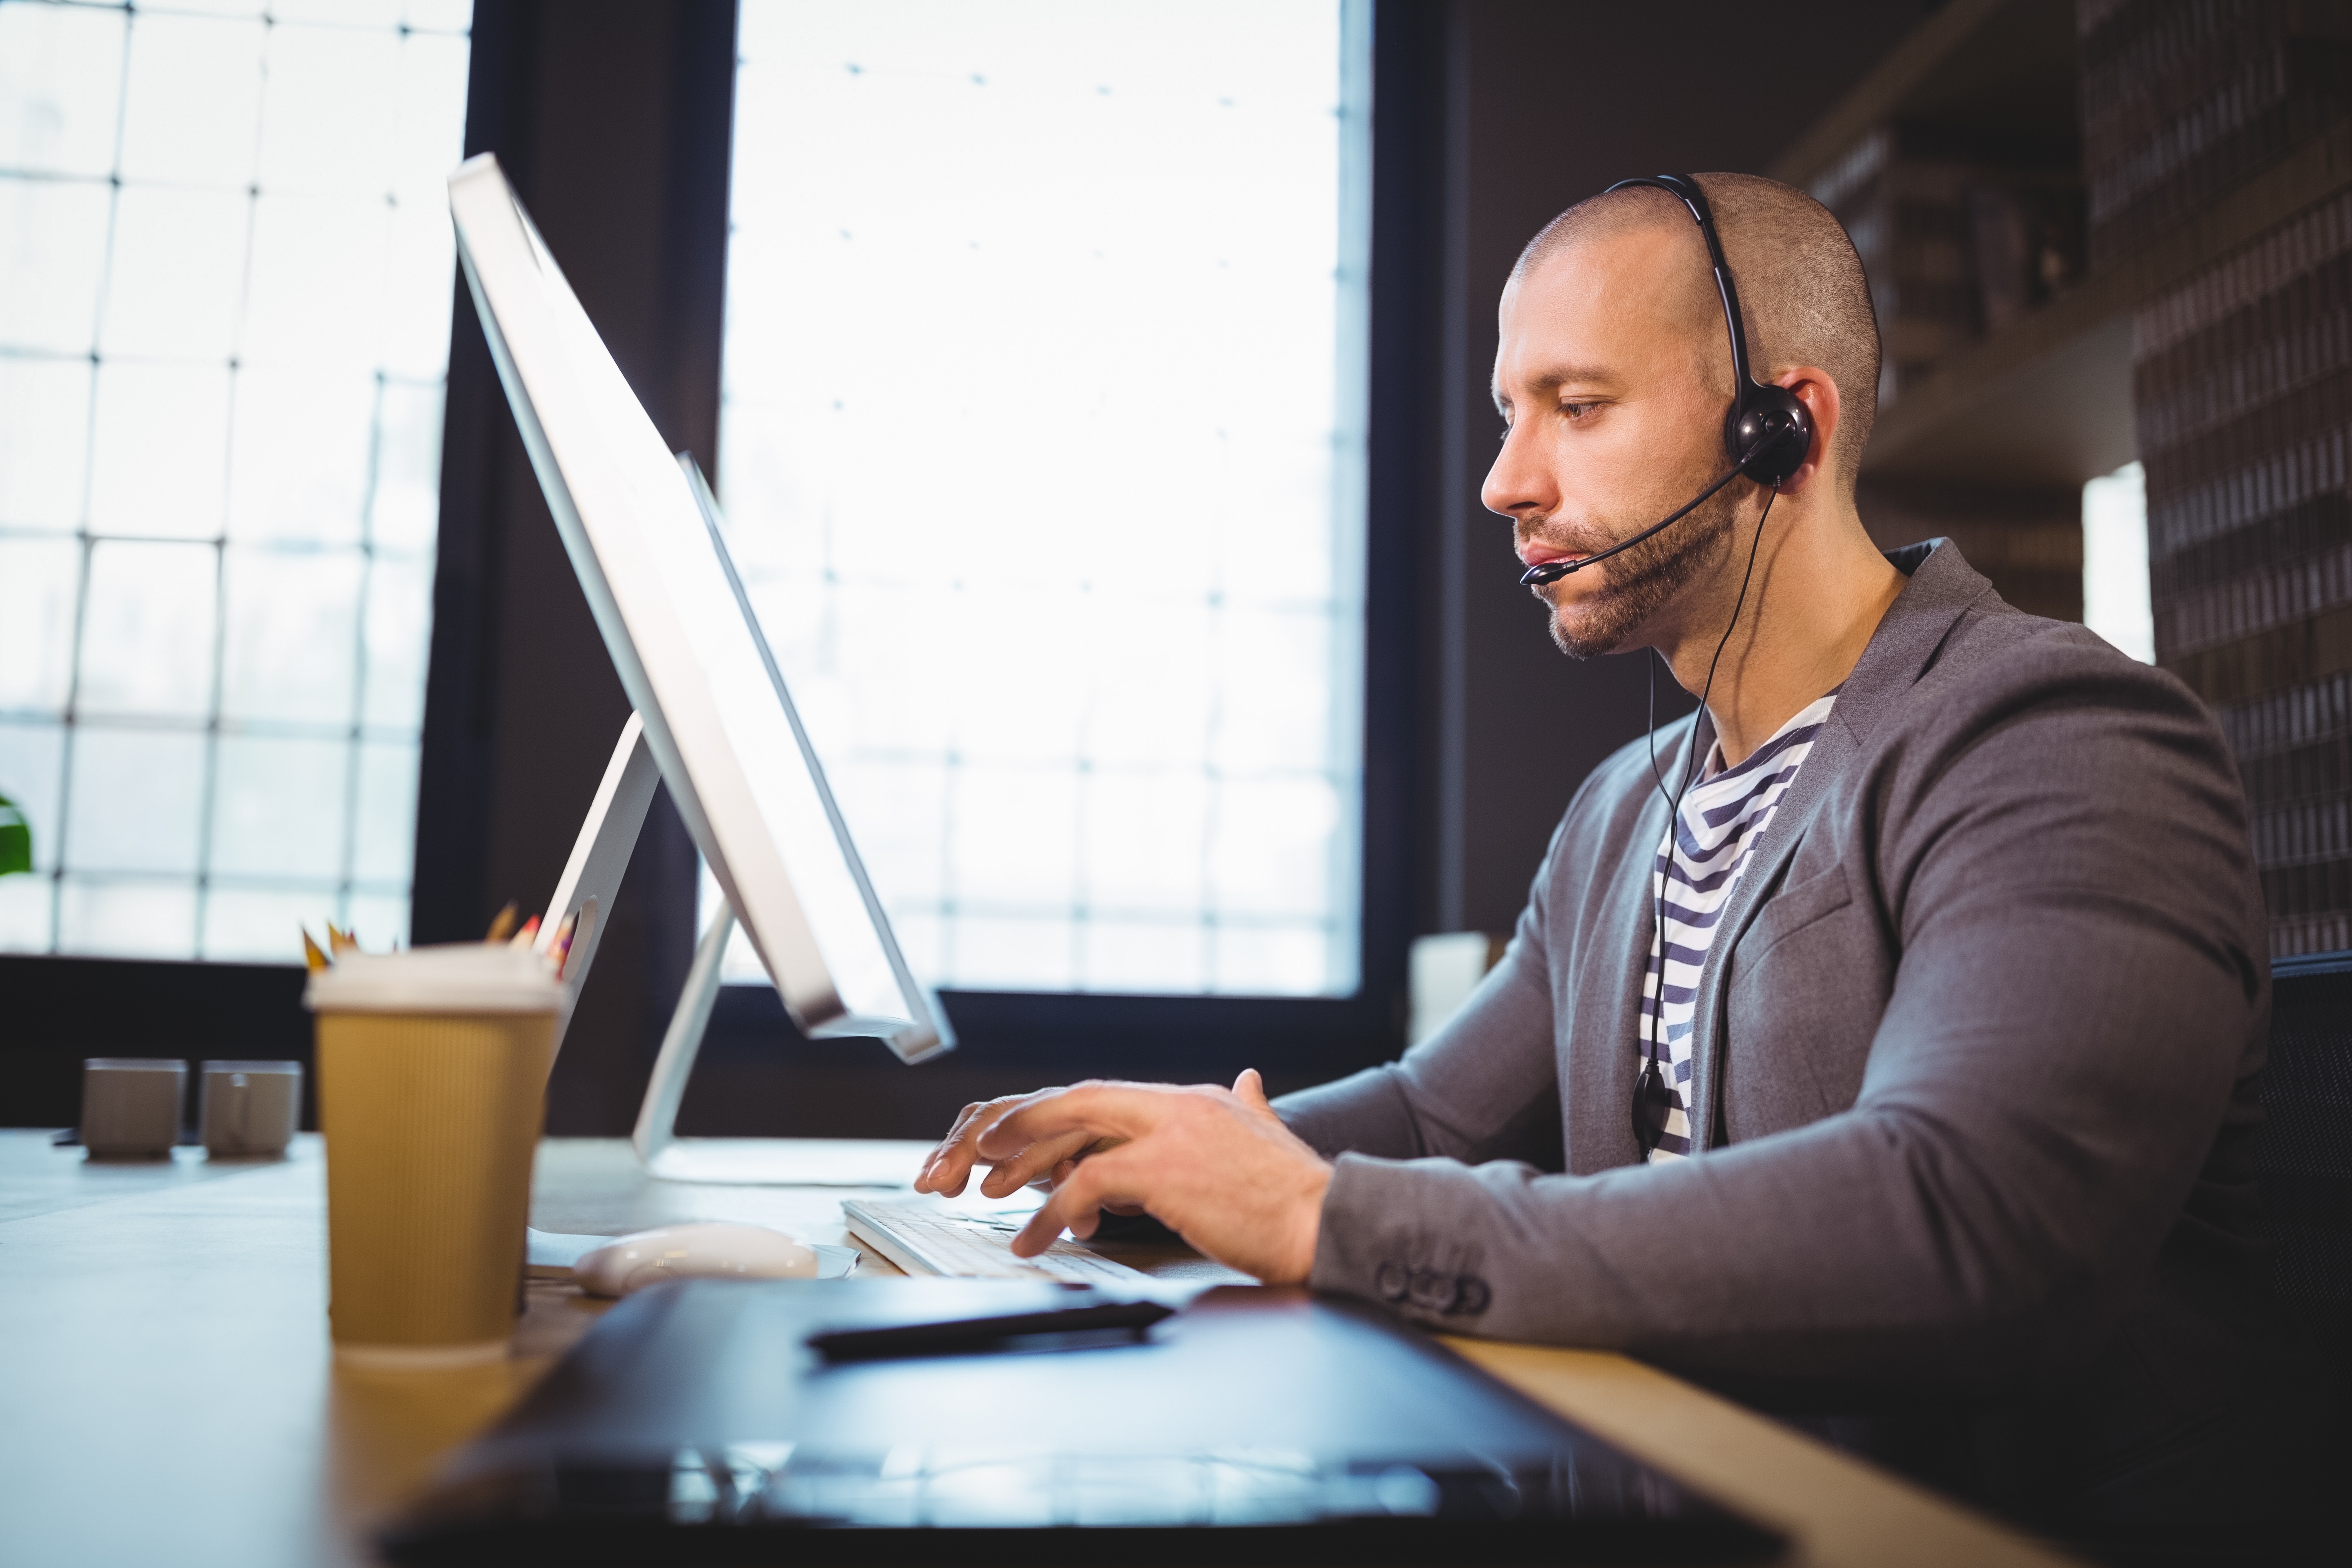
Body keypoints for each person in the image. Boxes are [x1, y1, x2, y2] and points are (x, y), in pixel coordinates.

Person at [915, 173, 2305, 1532]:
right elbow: (1432, 1117)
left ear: (1785, 432)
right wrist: (1169, 1156)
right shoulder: (1624, 808)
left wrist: (1324, 1218)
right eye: (1512, 415)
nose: (1505, 482)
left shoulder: (2056, 737)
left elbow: (1968, 1217)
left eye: (1578, 409)